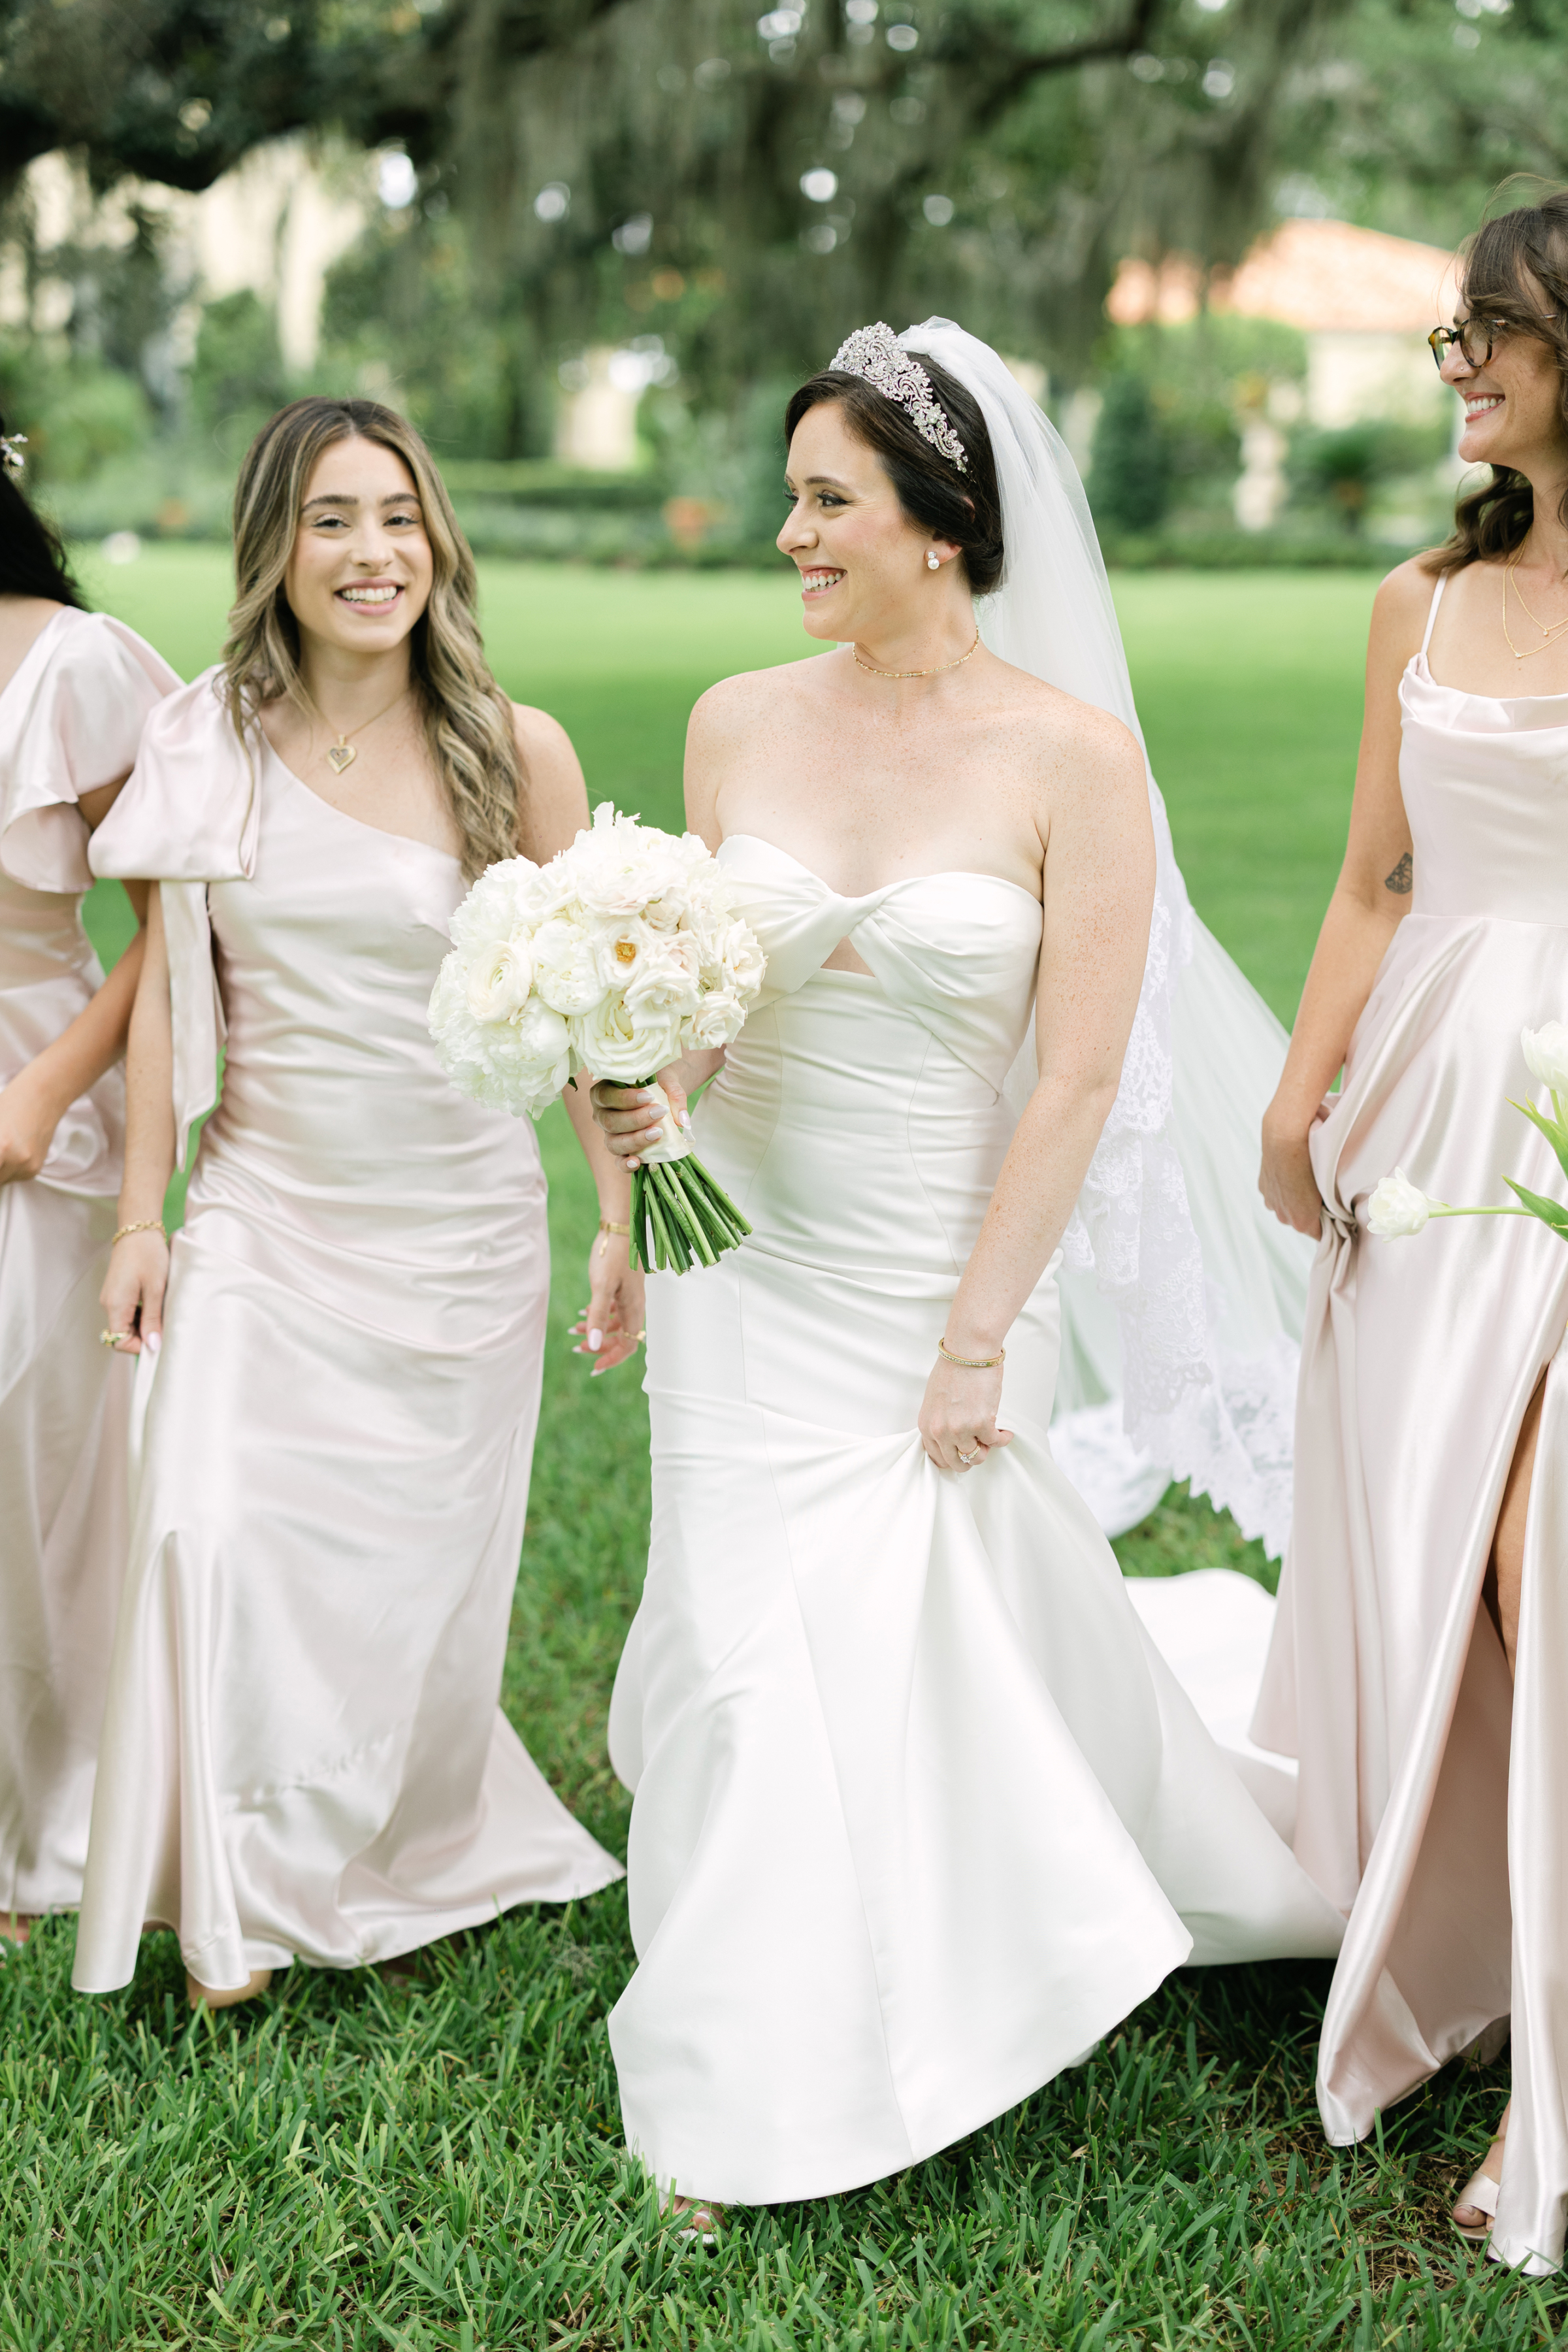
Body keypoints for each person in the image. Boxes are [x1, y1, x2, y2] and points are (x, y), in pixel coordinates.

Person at [592, 321, 1343, 2220]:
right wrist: (631, 1135)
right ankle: (751, 2023)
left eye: (825, 500)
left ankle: (903, 1974)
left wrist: (977, 1335)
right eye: (793, 500)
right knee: (744, 1633)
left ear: (941, 526)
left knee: (874, 1608)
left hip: (926, 1258)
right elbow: (709, 1001)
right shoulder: (735, 721)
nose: (792, 536)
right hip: (734, 1257)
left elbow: (1081, 1071)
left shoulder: (1071, 762)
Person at [74, 397, 634, 2010]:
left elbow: (600, 1001)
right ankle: (226, 1899)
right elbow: (175, 999)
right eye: (331, 519)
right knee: (208, 1527)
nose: (371, 551)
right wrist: (139, 1217)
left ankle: (384, 1841)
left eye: (397, 515)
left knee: (405, 1597)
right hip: (263, 1207)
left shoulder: (511, 751)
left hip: (458, 1229)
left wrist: (614, 1210)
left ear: (436, 539)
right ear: (275, 548)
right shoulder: (201, 739)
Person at [1254, 193, 1568, 2272]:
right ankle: (1484, 1960)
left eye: (1490, 331)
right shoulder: (1418, 599)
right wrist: (1300, 1098)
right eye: (1448, 335)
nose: (1453, 364)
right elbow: (1377, 879)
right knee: (1451, 1559)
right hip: (1437, 1107)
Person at [0, 422, 177, 1944]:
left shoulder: (74, 669)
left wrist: (50, 1087)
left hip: (26, 1104)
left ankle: (40, 1821)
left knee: (36, 1473)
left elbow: (175, 921)